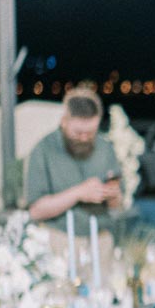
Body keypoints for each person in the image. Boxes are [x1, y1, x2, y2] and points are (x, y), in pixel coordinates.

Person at [24, 86, 123, 237]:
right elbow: (36, 211)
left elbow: (116, 206)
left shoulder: (105, 147)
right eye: (78, 133)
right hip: (59, 237)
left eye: (90, 133)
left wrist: (113, 195)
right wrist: (79, 193)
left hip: (101, 235)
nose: (84, 138)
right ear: (64, 121)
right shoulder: (43, 149)